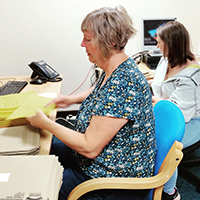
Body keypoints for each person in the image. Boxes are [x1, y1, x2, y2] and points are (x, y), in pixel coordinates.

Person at [26, 5, 156, 200]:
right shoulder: (118, 66)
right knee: (42, 149)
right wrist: (69, 99)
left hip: (112, 180)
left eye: (87, 39)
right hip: (99, 161)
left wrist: (46, 123)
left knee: (37, 186)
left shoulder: (123, 83)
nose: (82, 44)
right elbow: (99, 90)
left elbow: (89, 146)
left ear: (110, 41)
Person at [149, 21, 200, 200]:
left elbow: (177, 116)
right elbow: (159, 85)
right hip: (163, 110)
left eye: (159, 41)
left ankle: (170, 192)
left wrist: (154, 100)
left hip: (189, 122)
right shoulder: (166, 60)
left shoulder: (192, 76)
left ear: (170, 44)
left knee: (165, 144)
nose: (156, 45)